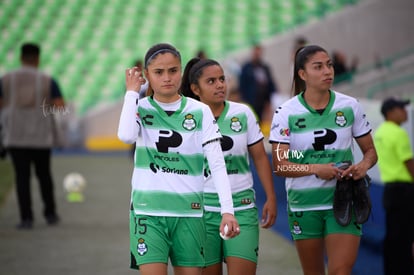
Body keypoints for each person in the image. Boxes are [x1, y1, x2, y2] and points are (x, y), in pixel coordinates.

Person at [117, 43, 240, 275]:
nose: (167, 78)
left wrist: (227, 210)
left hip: (189, 214)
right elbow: (126, 136)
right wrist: (132, 92)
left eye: (173, 71)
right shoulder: (140, 107)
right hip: (147, 213)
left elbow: (216, 164)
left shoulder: (199, 111)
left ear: (181, 72)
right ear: (146, 75)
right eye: (159, 72)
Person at [269, 45, 377, 274]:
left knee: (340, 270)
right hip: (304, 205)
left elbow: (370, 153)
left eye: (329, 65)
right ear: (302, 74)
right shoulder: (286, 112)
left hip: (343, 199)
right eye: (318, 67)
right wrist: (314, 167)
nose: (327, 71)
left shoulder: (349, 106)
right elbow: (281, 163)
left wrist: (362, 166)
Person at [181, 57, 277, 275]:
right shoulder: (186, 118)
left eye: (222, 79)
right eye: (211, 81)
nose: (220, 85)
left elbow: (261, 158)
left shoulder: (243, 113)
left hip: (241, 207)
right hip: (201, 212)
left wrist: (271, 197)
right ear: (196, 88)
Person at [0, 42, 64, 229]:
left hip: (15, 135)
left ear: (21, 58)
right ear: (37, 58)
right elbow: (60, 105)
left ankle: (26, 218)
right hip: (40, 136)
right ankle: (50, 214)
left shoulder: (6, 80)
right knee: (44, 175)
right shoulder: (47, 80)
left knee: (21, 177)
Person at [373, 97, 414, 275]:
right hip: (405, 191)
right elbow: (408, 163)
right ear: (390, 112)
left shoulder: (380, 132)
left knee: (393, 237)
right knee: (407, 237)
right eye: (401, 108)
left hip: (389, 191)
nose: (405, 112)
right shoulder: (398, 133)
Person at [238, 43, 278, 123]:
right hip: (251, 101)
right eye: (255, 52)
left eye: (259, 52)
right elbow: (242, 85)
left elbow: (270, 83)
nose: (257, 54)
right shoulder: (246, 68)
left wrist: (271, 99)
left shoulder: (265, 67)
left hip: (264, 101)